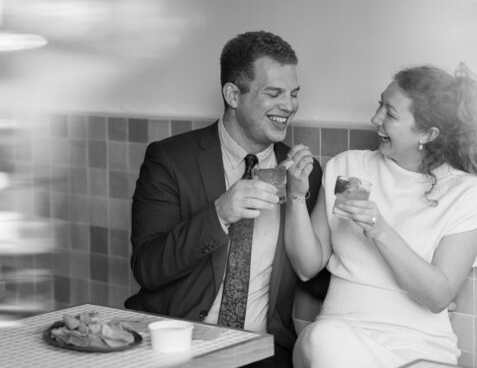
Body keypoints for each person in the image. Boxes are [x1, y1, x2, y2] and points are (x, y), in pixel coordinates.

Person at [125, 31, 327, 367]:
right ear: (233, 94)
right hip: (176, 342)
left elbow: (315, 273)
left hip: (263, 352)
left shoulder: (303, 173)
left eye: (293, 94)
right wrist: (218, 213)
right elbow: (148, 268)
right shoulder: (170, 159)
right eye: (274, 93)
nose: (289, 106)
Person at [284, 63, 477, 368]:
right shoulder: (349, 168)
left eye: (390, 114)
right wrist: (294, 195)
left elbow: (438, 296)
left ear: (427, 133)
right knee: (322, 339)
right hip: (338, 345)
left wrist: (379, 229)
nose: (375, 119)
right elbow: (306, 267)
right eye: (379, 105)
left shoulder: (466, 193)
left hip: (422, 353)